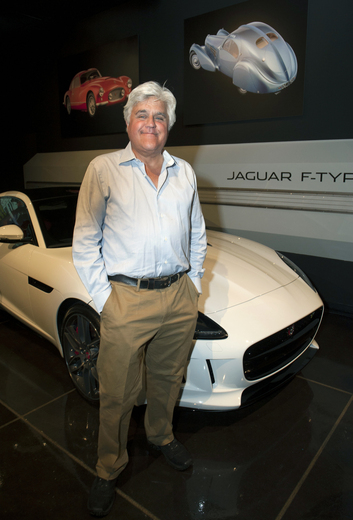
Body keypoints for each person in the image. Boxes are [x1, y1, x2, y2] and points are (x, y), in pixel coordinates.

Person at [72, 81, 207, 517]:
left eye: (159, 116)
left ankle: (161, 435)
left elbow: (197, 233)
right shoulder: (103, 168)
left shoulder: (183, 171)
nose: (151, 124)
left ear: (168, 125)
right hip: (127, 299)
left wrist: (195, 283)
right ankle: (108, 468)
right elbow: (85, 241)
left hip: (179, 295)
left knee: (169, 377)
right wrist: (106, 300)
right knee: (117, 391)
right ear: (128, 122)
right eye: (143, 115)